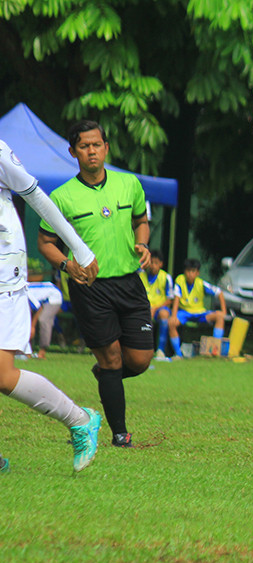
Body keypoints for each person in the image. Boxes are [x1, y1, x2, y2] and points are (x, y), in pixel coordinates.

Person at [37, 120, 153, 448]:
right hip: (91, 288)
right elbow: (45, 242)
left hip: (129, 283)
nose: (92, 151)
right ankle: (120, 433)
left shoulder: (129, 184)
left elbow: (140, 221)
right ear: (73, 152)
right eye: (85, 146)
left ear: (106, 147)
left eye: (97, 145)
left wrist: (142, 244)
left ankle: (106, 377)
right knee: (112, 358)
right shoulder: (61, 198)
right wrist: (66, 264)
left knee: (140, 359)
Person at [0, 138, 102, 472]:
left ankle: (80, 419)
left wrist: (81, 250)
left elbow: (35, 197)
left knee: (2, 375)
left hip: (3, 273)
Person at [167, 258, 226, 357]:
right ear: (184, 272)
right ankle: (178, 354)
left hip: (199, 313)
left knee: (220, 316)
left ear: (197, 273)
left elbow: (219, 292)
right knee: (171, 323)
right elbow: (176, 299)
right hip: (184, 313)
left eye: (193, 271)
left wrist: (224, 311)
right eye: (188, 271)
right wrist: (173, 316)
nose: (190, 274)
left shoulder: (201, 284)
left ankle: (215, 350)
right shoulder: (180, 280)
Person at [139, 249, 174, 359]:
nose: (153, 266)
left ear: (161, 264)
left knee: (164, 314)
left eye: (156, 263)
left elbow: (170, 299)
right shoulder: (141, 275)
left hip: (159, 308)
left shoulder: (166, 277)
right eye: (151, 262)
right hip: (144, 307)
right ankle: (142, 349)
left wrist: (155, 308)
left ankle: (160, 350)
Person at [27, 276, 64, 359]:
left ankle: (42, 352)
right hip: (44, 299)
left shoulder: (25, 293)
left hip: (54, 298)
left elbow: (38, 307)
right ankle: (28, 352)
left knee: (43, 320)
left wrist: (32, 326)